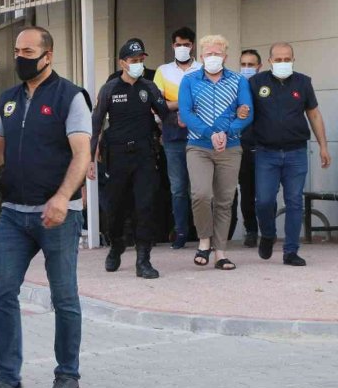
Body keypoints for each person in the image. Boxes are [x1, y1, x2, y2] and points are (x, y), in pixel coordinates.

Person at [0, 27, 91, 388]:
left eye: (28, 51)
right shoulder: (10, 100)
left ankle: (68, 376)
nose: (20, 57)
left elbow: (82, 155)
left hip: (58, 215)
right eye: (17, 50)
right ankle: (8, 383)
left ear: (48, 56)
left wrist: (62, 198)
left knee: (64, 297)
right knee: (2, 292)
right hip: (14, 215)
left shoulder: (71, 97)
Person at [90, 38, 168, 279]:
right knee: (115, 207)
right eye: (133, 61)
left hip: (145, 154)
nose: (138, 65)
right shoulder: (110, 89)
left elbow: (166, 114)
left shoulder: (149, 87)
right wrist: (89, 160)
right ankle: (116, 245)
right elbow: (96, 125)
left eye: (141, 60)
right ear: (122, 63)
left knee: (145, 207)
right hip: (117, 156)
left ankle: (143, 259)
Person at [249, 42, 331, 267]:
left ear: (293, 60)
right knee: (264, 201)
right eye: (278, 59)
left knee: (295, 202)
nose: (282, 63)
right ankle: (267, 234)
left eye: (287, 59)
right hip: (266, 152)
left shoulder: (303, 82)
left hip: (296, 152)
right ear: (269, 61)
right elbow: (244, 112)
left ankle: (291, 251)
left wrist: (323, 146)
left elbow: (314, 115)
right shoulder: (256, 83)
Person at [178, 35, 252, 271]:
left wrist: (227, 132)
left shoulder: (238, 81)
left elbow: (247, 112)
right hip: (199, 146)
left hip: (230, 148)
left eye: (217, 54)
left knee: (224, 200)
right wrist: (210, 133)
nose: (213, 57)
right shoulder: (189, 81)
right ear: (201, 57)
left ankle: (220, 252)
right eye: (209, 54)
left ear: (225, 56)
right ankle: (204, 240)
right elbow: (186, 113)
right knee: (200, 194)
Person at [153, 27, 202, 249]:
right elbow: (157, 105)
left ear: (193, 46)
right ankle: (181, 232)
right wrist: (185, 105)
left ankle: (203, 233)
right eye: (178, 44)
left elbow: (209, 101)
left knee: (201, 188)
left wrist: (175, 104)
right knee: (178, 187)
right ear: (172, 45)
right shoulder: (162, 71)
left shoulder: (202, 69)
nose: (182, 48)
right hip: (173, 136)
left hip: (200, 136)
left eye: (187, 44)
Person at [228, 49, 263, 248]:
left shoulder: (265, 87)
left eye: (251, 65)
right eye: (244, 64)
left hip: (264, 146)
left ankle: (267, 230)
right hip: (241, 145)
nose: (247, 68)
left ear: (259, 67)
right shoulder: (235, 87)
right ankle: (251, 230)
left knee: (266, 193)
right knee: (247, 190)